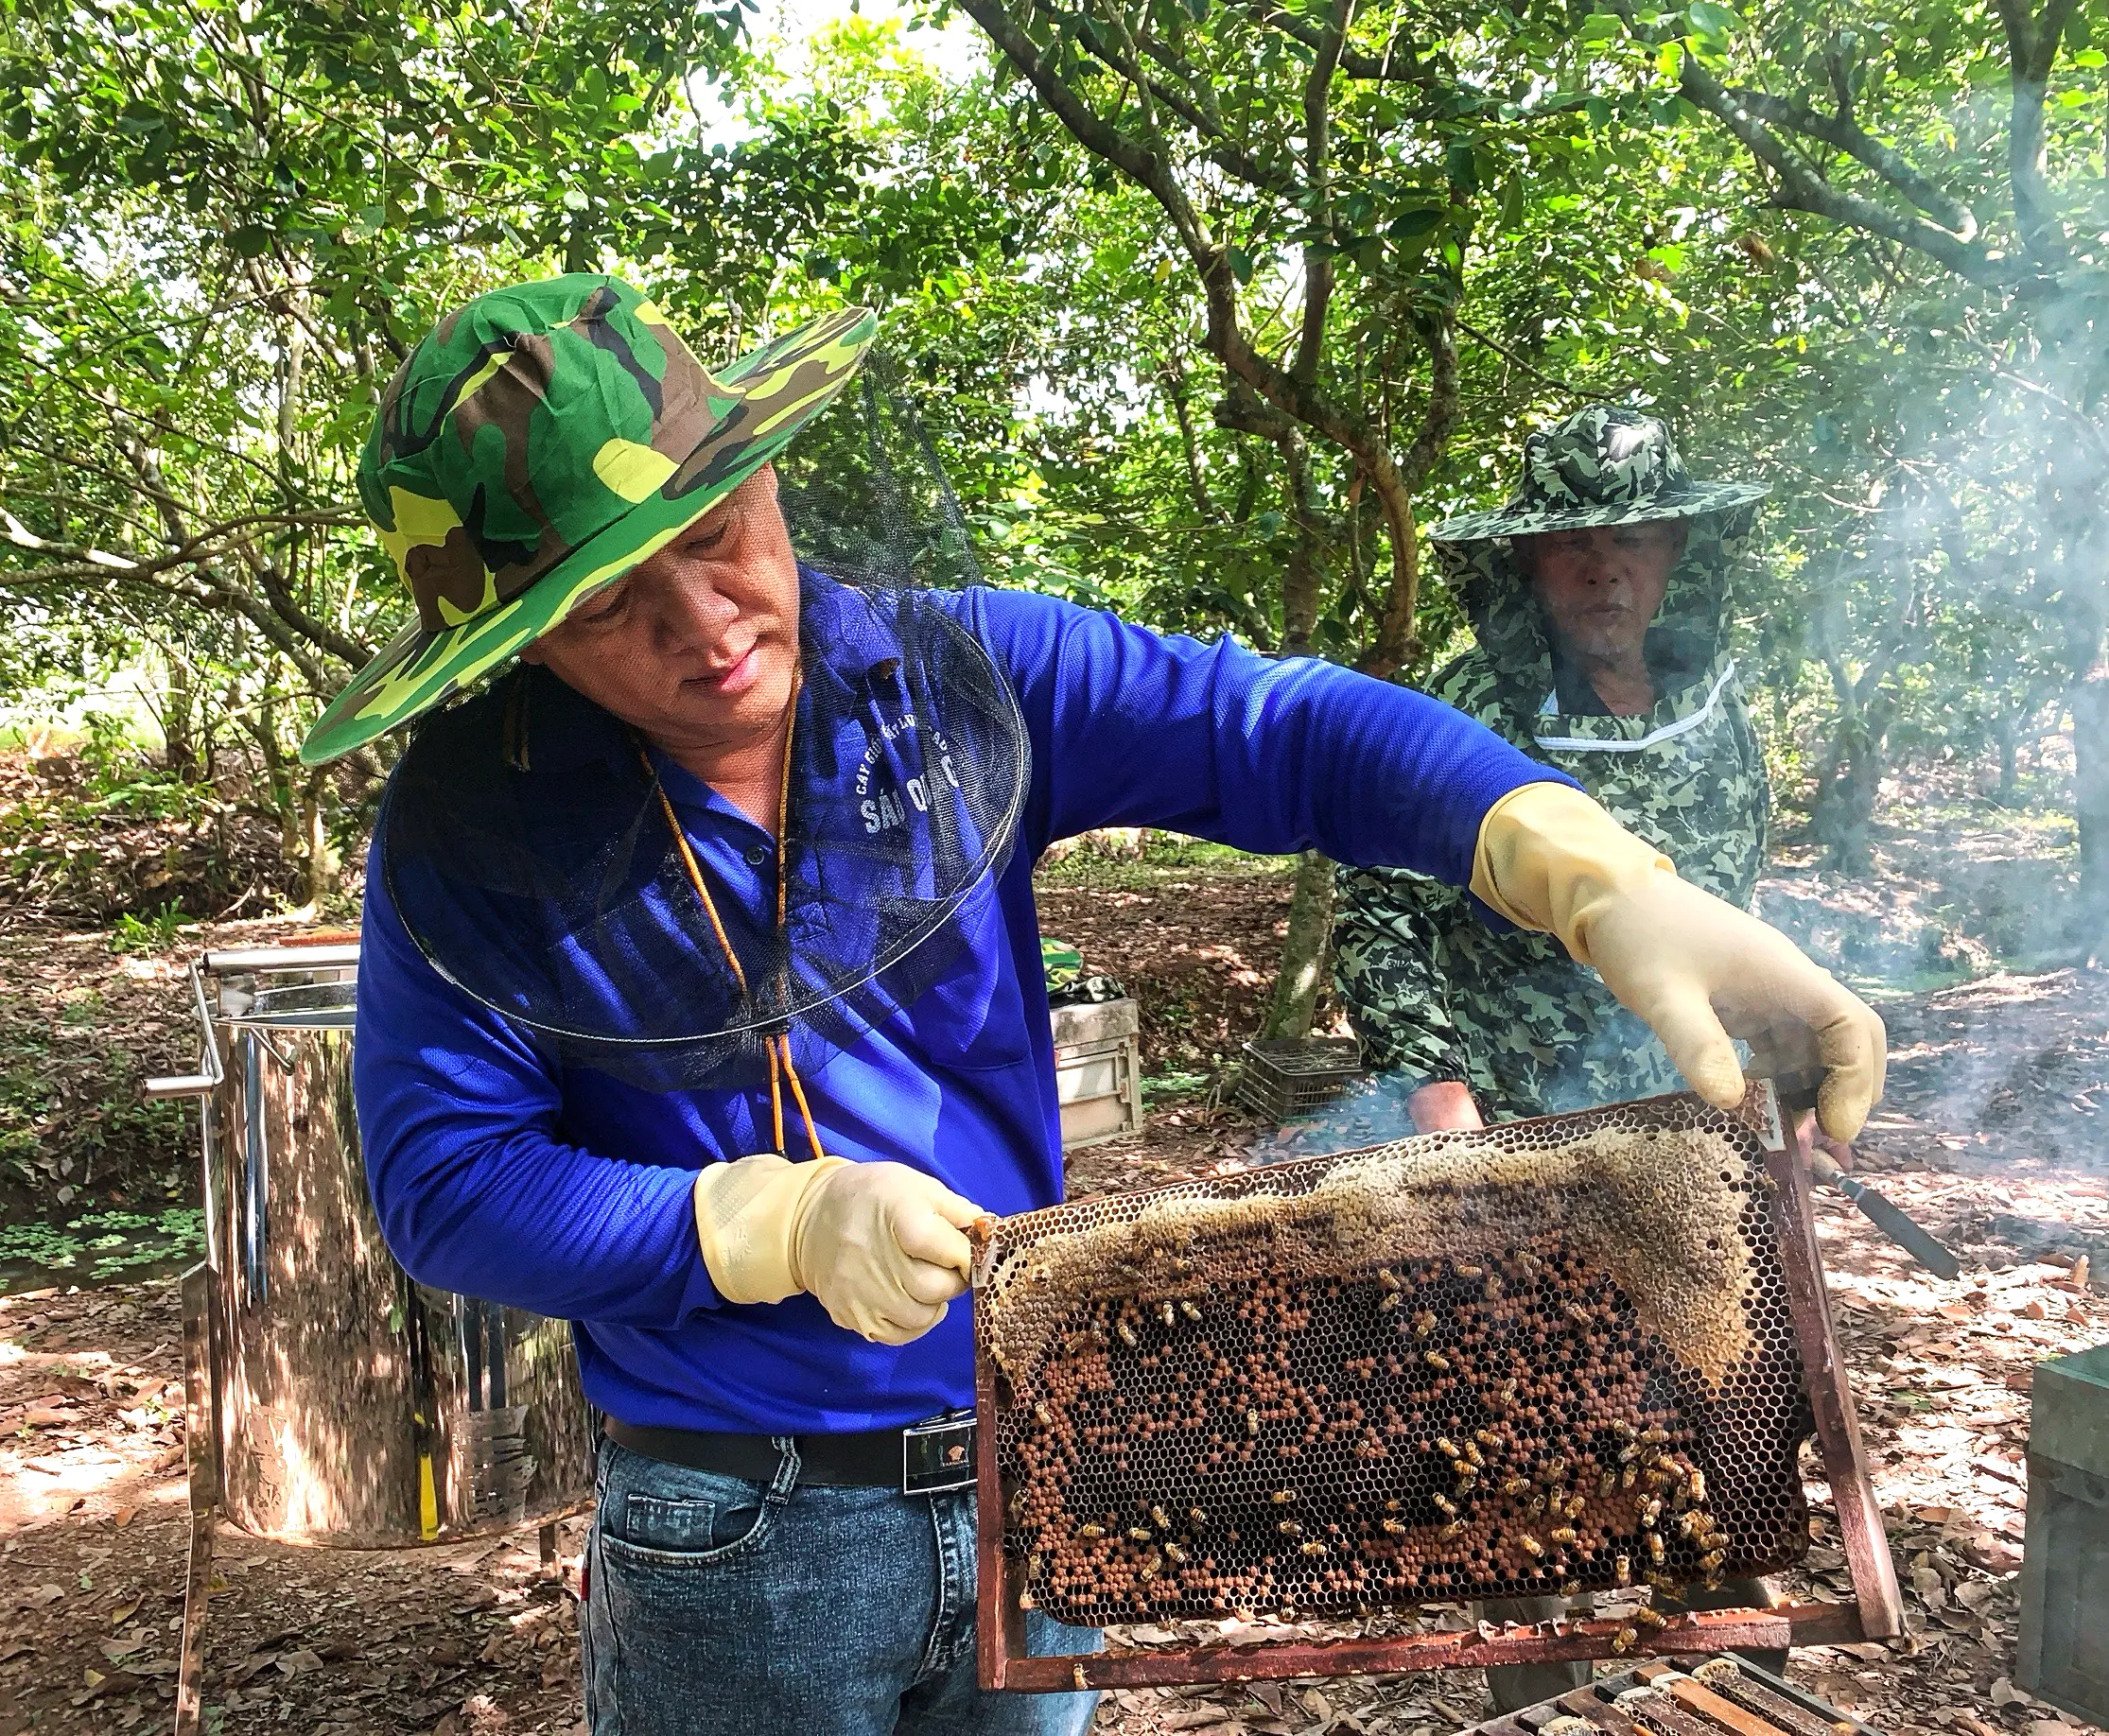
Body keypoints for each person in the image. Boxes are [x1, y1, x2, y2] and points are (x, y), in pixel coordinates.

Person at [303, 281, 1886, 1736]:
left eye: (717, 531)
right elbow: (447, 1189)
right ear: (511, 645)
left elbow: (1275, 728)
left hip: (1048, 1462)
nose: (707, 624)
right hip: (734, 1529)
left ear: (767, 474)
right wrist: (759, 1226)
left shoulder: (961, 677)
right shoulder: (473, 832)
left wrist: (1587, 869)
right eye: (606, 607)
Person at [1331, 403, 1831, 1710]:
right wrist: (1436, 1083)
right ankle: (1538, 1697)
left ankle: (1714, 1681)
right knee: (1520, 1459)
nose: (1606, 569)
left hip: (1683, 1135)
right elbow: (1376, 906)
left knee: (1716, 1433)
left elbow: (1735, 903)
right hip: (1509, 1135)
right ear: (1526, 570)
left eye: (1636, 540)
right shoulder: (1460, 708)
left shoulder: (1719, 707)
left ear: (1679, 553)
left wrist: (1782, 1076)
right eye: (1574, 546)